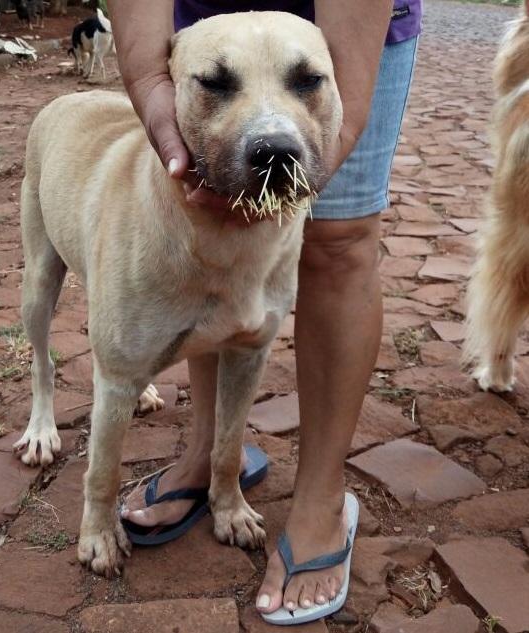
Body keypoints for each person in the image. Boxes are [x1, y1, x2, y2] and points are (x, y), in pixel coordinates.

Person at [109, 0, 422, 620]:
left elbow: (333, 107)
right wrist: (150, 85)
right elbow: (152, 70)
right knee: (206, 252)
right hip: (206, 17)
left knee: (339, 244)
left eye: (307, 86)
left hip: (350, 20)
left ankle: (322, 499)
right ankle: (207, 458)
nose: (269, 134)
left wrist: (338, 116)